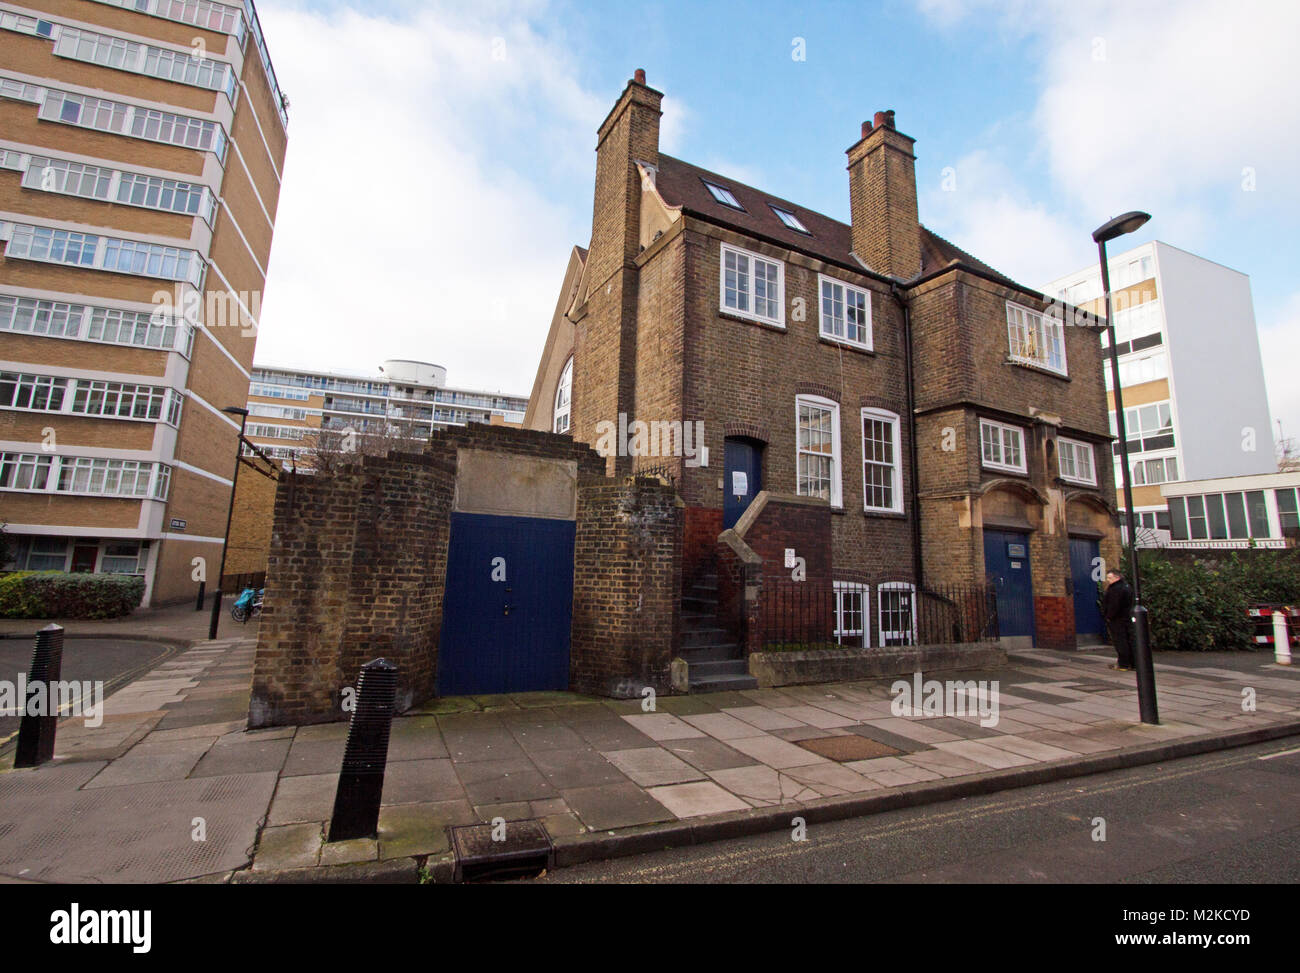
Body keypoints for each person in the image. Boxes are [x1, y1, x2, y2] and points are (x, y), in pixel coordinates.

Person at [1102, 569, 1135, 671]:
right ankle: (1132, 663)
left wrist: (1109, 616)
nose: (1108, 580)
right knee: (1129, 640)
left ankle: (1123, 664)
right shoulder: (1127, 586)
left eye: (1110, 578)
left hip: (1117, 619)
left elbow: (1114, 605)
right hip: (1127, 618)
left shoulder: (1115, 589)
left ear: (1117, 577)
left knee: (1120, 642)